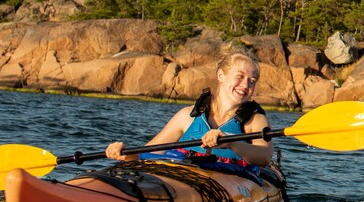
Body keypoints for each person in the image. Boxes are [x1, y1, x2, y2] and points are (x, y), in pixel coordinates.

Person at [105, 47, 274, 168]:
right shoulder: (187, 115)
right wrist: (128, 154)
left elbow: (265, 157)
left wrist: (231, 144)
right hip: (186, 178)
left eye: (252, 81)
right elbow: (152, 151)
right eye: (240, 77)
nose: (245, 85)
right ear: (221, 75)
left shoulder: (256, 120)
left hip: (235, 182)